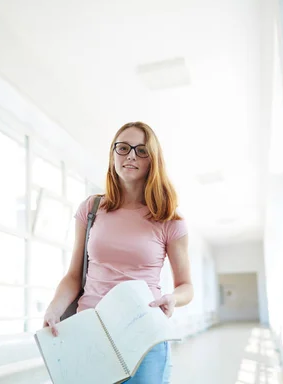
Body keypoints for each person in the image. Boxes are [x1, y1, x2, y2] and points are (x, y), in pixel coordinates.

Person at [43, 121, 193, 383]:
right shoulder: (92, 208)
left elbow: (186, 286)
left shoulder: (169, 219)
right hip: (91, 332)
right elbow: (73, 276)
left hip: (144, 333)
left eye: (141, 150)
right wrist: (54, 309)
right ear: (113, 154)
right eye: (123, 148)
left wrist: (173, 299)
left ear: (153, 160)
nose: (131, 155)